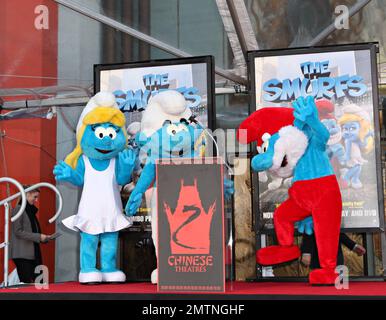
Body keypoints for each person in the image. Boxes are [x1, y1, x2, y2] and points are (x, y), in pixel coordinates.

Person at [10, 187, 49, 283]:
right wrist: (39, 237)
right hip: (22, 254)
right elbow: (18, 231)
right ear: (27, 194)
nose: (36, 200)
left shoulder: (30, 211)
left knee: (39, 283)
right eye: (35, 197)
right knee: (28, 284)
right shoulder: (19, 210)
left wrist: (42, 238)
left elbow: (31, 231)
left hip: (31, 253)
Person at [300, 233, 366, 269]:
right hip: (318, 258)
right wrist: (306, 252)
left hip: (336, 259)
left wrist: (353, 246)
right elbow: (309, 228)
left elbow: (338, 231)